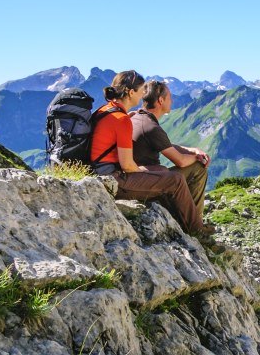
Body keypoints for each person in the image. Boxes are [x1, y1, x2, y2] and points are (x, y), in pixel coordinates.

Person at [90, 70, 211, 237]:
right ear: (131, 92)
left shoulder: (108, 110)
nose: (141, 97)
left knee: (163, 172)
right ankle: (197, 232)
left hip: (100, 173)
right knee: (174, 179)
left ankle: (187, 220)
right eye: (140, 91)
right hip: (113, 179)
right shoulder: (122, 119)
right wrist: (150, 173)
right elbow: (127, 165)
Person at [131, 80, 210, 222]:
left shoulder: (138, 117)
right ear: (160, 100)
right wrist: (198, 158)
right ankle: (195, 224)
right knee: (198, 169)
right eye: (170, 98)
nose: (172, 101)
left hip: (140, 177)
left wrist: (193, 150)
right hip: (147, 181)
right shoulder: (151, 127)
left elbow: (164, 145)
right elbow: (180, 161)